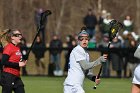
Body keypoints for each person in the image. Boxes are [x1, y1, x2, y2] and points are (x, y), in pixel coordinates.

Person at [0, 29, 27, 93]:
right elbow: (3, 62)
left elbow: (17, 59)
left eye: (21, 35)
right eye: (18, 35)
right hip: (8, 76)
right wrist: (18, 64)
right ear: (12, 37)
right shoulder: (9, 47)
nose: (20, 36)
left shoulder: (18, 47)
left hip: (17, 77)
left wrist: (22, 61)